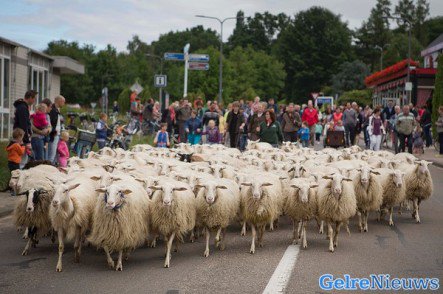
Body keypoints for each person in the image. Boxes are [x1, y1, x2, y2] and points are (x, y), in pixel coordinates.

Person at [48, 95, 65, 164]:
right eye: (63, 102)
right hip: (53, 135)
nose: (64, 104)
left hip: (56, 135)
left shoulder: (56, 110)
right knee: (51, 154)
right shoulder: (53, 110)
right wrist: (53, 132)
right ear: (59, 101)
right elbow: (50, 123)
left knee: (54, 154)